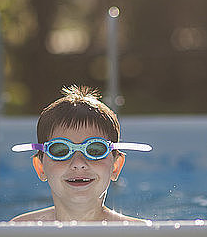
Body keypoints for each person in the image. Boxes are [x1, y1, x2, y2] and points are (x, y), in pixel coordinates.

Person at [10, 85, 152, 222]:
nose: (78, 163)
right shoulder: (19, 230)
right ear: (40, 167)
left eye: (95, 150)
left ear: (116, 166)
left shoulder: (140, 232)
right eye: (61, 150)